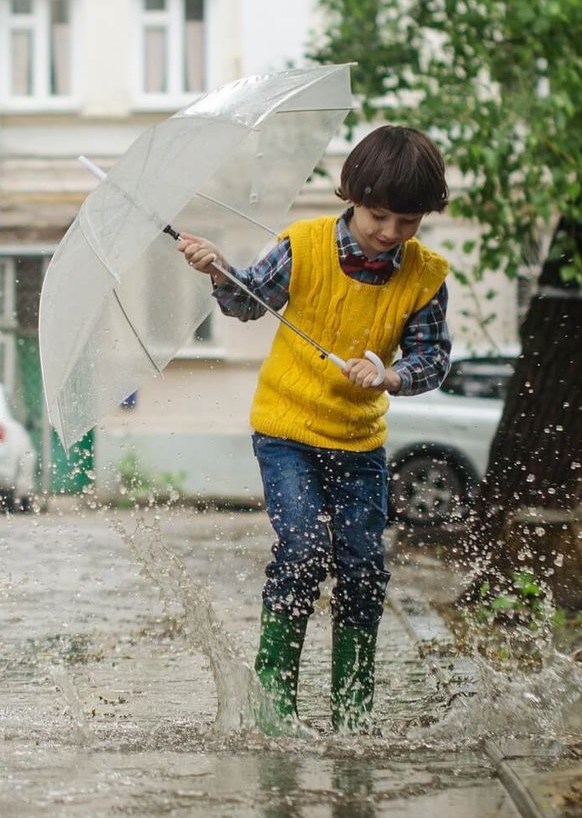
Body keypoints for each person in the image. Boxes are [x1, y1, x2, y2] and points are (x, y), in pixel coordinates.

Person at [177, 125, 451, 734]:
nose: (390, 233)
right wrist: (218, 268)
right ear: (351, 195)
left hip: (360, 442)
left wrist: (393, 376)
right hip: (287, 432)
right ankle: (274, 710)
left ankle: (353, 714)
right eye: (379, 215)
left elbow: (432, 359)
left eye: (408, 221)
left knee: (362, 569)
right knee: (301, 553)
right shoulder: (303, 247)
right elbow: (247, 302)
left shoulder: (425, 276)